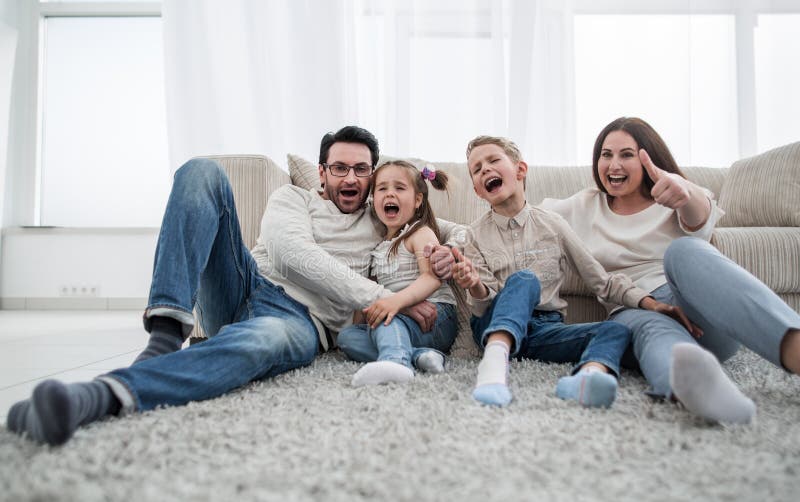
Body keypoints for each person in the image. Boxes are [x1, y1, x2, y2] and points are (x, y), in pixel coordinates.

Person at [6, 126, 454, 446]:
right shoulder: (292, 198)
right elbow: (287, 252)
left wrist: (452, 256)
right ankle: (164, 336)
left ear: (373, 177)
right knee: (201, 171)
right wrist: (385, 298)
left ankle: (98, 396)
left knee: (259, 343)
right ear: (322, 173)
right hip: (244, 283)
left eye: (361, 170)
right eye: (339, 168)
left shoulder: (384, 215)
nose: (351, 179)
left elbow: (448, 229)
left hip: (301, 321)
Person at [541, 116, 800, 424]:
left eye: (626, 154)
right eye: (605, 155)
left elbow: (700, 219)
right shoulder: (582, 205)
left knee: (684, 250)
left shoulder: (674, 192)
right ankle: (700, 393)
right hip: (635, 308)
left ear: (647, 156)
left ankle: (794, 349)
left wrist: (686, 195)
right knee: (644, 324)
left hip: (701, 312)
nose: (613, 165)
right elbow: (527, 218)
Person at [451, 135, 692, 408]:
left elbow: (602, 282)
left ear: (520, 170)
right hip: (493, 326)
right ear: (477, 190)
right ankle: (493, 366)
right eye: (477, 169)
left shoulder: (553, 224)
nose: (485, 169)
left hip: (543, 331)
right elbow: (483, 306)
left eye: (493, 160)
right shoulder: (473, 234)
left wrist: (652, 303)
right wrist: (474, 285)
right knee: (525, 280)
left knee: (616, 330)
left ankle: (587, 378)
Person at [337, 161, 459, 386]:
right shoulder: (377, 248)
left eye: (399, 188)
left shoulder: (420, 233)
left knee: (386, 322)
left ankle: (397, 363)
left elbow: (431, 277)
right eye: (382, 189)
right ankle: (420, 356)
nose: (390, 193)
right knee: (347, 337)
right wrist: (364, 319)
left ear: (417, 200)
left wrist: (395, 303)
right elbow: (367, 299)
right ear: (373, 200)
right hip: (399, 320)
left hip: (435, 316)